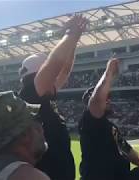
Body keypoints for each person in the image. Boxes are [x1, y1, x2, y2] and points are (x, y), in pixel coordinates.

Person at [18, 14, 88, 180]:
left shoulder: (44, 94)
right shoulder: (30, 94)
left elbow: (64, 70)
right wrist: (70, 33)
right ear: (40, 73)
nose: (57, 79)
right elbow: (55, 63)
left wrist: (74, 41)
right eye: (51, 74)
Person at [78, 57, 139, 180]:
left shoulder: (111, 127)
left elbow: (126, 149)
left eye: (109, 97)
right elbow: (97, 100)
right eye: (105, 97)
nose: (108, 100)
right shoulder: (88, 121)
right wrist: (109, 72)